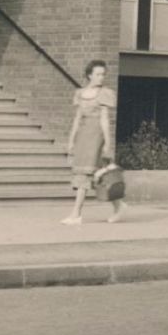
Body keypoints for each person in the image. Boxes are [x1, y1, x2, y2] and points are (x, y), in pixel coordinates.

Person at [63, 60, 124, 225]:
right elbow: (77, 119)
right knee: (95, 175)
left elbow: (105, 119)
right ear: (89, 75)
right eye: (98, 74)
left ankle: (76, 214)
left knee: (87, 174)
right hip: (83, 135)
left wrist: (107, 142)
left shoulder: (104, 93)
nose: (101, 77)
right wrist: (71, 140)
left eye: (103, 74)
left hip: (97, 135)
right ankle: (119, 206)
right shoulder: (80, 93)